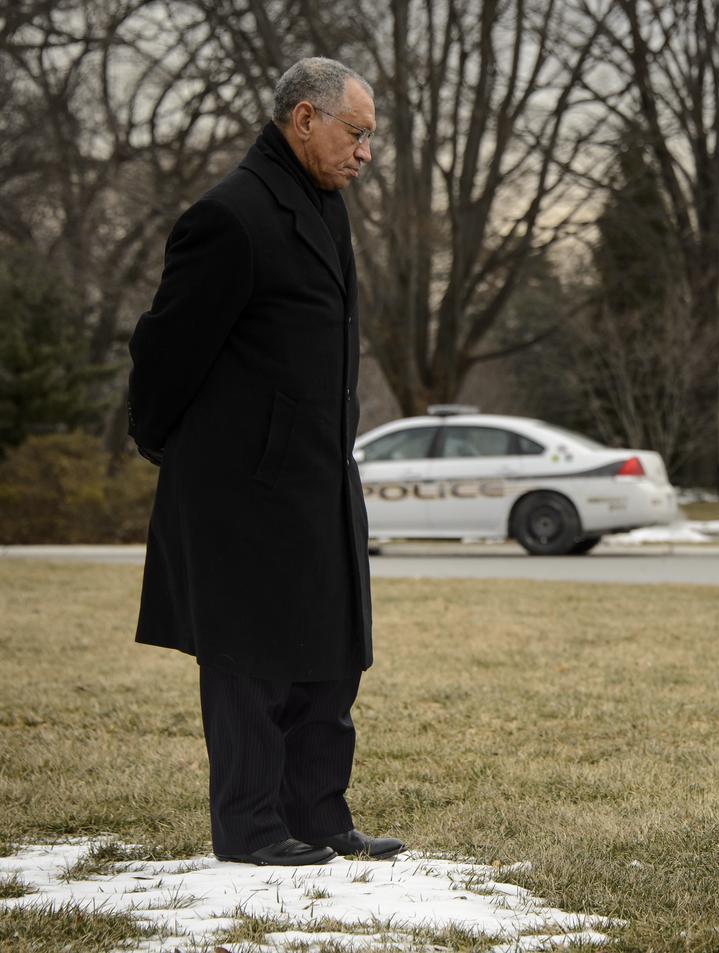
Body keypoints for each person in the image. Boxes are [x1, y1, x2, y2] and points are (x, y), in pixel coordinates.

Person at [127, 58, 401, 867]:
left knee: (329, 649)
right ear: (304, 118)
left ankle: (318, 814)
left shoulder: (324, 205)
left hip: (318, 475)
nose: (365, 153)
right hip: (243, 488)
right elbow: (164, 351)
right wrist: (173, 448)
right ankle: (250, 828)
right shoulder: (231, 215)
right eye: (356, 134)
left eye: (372, 139)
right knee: (251, 659)